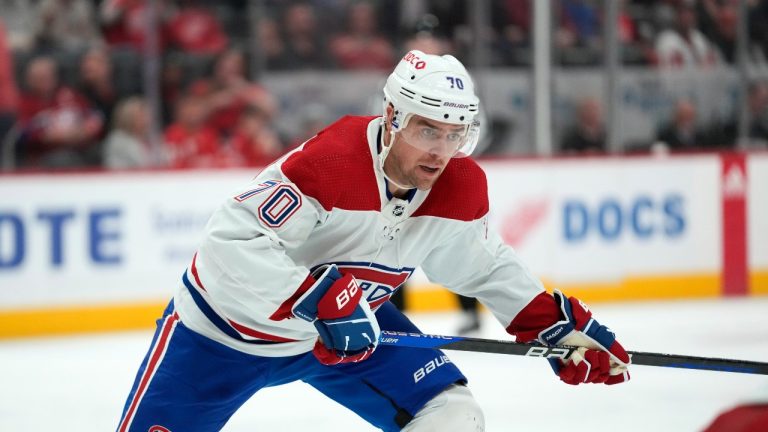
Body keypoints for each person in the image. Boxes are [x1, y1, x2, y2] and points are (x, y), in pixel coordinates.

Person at [117, 50, 631, 432]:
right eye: (429, 131)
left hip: (351, 327)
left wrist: (550, 321)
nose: (442, 152)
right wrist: (317, 299)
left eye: (456, 135)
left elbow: (481, 263)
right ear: (391, 120)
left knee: (451, 414)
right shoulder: (332, 162)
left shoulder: (458, 184)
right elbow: (230, 242)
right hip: (223, 336)